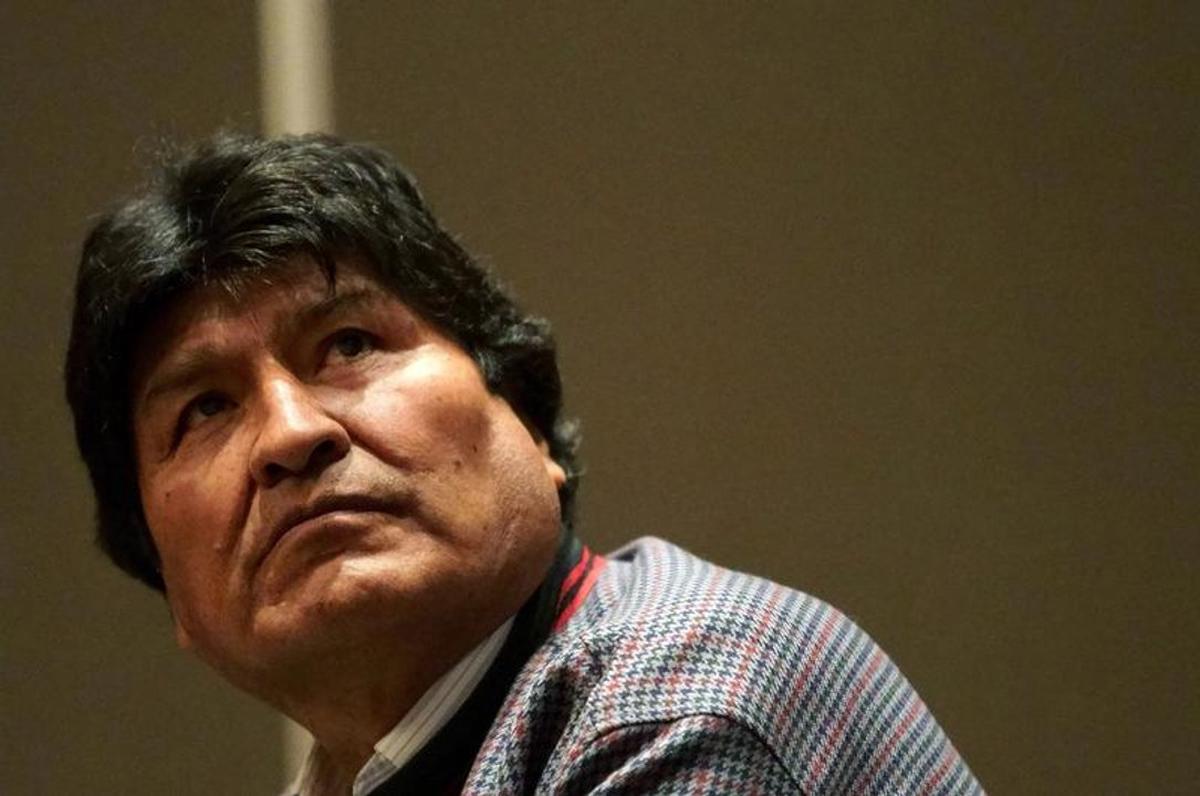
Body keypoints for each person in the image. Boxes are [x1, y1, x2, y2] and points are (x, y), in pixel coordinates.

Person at [65, 132, 982, 795]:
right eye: (206, 409)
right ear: (167, 583)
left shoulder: (680, 701)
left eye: (348, 344)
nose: (290, 433)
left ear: (528, 422)